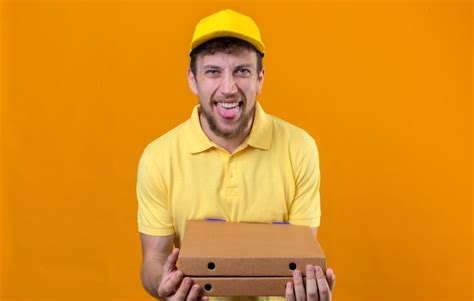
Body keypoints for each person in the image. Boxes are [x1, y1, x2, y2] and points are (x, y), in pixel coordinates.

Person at [137, 9, 336, 301]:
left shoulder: (299, 148)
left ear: (260, 79)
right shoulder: (158, 158)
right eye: (213, 71)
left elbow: (299, 257)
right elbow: (153, 259)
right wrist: (163, 285)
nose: (228, 88)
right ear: (193, 80)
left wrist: (308, 289)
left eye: (242, 71)